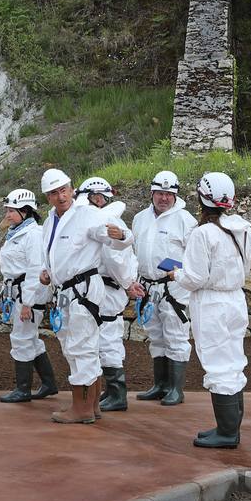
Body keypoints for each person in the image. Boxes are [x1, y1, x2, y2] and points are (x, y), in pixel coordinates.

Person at [169, 172, 251, 449]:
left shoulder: (203, 233)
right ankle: (228, 427)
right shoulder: (245, 230)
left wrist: (176, 274)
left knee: (218, 364)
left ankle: (228, 433)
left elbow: (194, 278)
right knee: (232, 359)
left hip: (212, 302)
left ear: (201, 198)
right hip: (235, 299)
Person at [38, 168, 132, 425]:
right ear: (48, 196)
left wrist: (122, 235)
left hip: (83, 291)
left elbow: (114, 239)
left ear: (72, 188)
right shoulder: (50, 223)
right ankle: (91, 405)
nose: (61, 196)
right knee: (76, 345)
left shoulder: (87, 215)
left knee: (82, 346)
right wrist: (46, 273)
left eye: (64, 190)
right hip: (66, 292)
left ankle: (82, 408)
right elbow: (53, 255)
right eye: (54, 192)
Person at [130, 170, 198, 405]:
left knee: (176, 336)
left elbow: (196, 256)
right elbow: (134, 252)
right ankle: (160, 385)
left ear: (175, 195)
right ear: (152, 193)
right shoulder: (140, 218)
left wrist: (182, 273)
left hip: (174, 288)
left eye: (169, 194)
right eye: (160, 193)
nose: (164, 198)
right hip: (148, 287)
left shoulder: (186, 220)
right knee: (156, 336)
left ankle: (176, 390)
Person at [76, 177, 140, 413]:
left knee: (108, 340)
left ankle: (117, 394)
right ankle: (110, 392)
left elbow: (117, 260)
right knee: (103, 340)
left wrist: (128, 283)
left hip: (108, 290)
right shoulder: (106, 222)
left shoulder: (106, 223)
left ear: (97, 198)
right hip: (104, 288)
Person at [0, 189, 59, 403]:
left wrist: (27, 303)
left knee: (22, 338)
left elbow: (34, 269)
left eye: (11, 211)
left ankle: (23, 389)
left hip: (28, 295)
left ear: (25, 211)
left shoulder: (32, 234)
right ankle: (49, 384)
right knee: (30, 338)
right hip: (20, 293)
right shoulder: (16, 232)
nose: (7, 214)